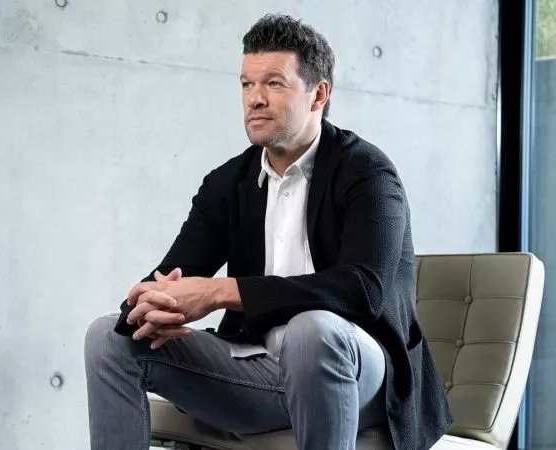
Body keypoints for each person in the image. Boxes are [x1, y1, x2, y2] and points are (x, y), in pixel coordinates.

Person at [84, 13, 451, 450]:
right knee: (107, 338)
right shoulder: (228, 183)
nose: (255, 99)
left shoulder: (366, 172)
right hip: (255, 371)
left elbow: (363, 291)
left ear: (318, 95)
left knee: (312, 331)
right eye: (246, 84)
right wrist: (150, 303)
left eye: (274, 83)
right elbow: (175, 275)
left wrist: (221, 292)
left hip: (365, 378)